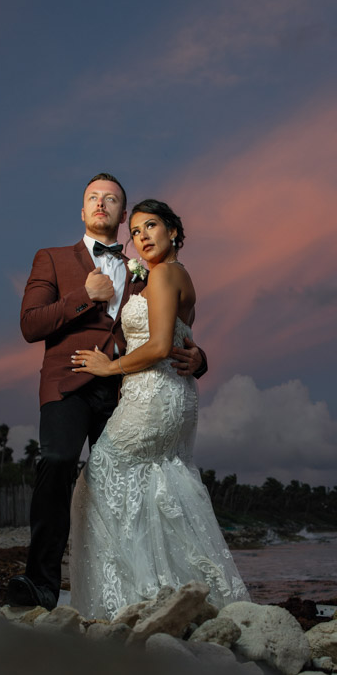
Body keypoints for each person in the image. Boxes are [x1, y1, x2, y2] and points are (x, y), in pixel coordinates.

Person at [8, 175, 207, 610]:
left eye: (111, 199)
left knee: (120, 486)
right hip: (70, 382)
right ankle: (41, 581)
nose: (101, 203)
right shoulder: (53, 258)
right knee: (59, 462)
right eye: (92, 198)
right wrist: (84, 295)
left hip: (126, 390)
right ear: (82, 212)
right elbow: (30, 325)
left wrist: (200, 358)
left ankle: (125, 587)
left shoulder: (147, 269)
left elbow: (170, 325)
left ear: (122, 215)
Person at [69, 199, 248, 620]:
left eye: (151, 226)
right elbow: (184, 342)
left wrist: (109, 365)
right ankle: (174, 593)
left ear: (173, 232)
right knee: (162, 482)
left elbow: (161, 345)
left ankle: (131, 599)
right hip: (175, 396)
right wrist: (200, 357)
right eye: (135, 232)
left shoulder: (166, 273)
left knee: (97, 481)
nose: (142, 236)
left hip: (151, 396)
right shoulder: (174, 277)